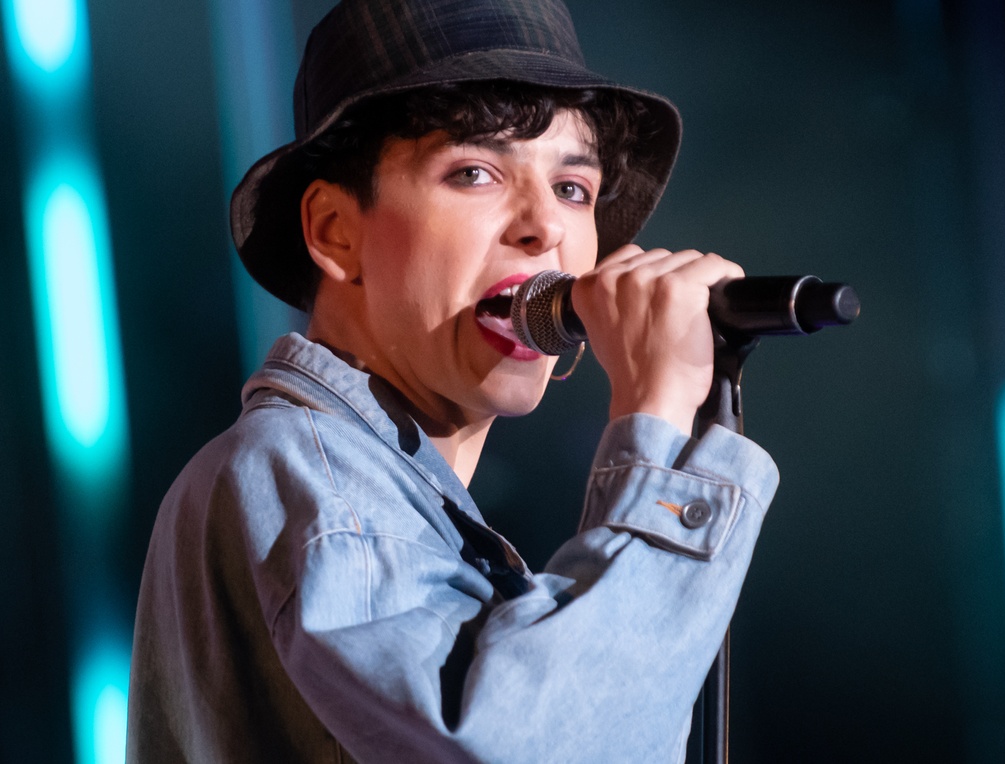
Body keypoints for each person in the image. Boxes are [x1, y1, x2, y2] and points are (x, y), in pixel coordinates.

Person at [127, 0, 778, 761]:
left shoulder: (365, 488)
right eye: (475, 173)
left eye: (574, 188)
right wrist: (655, 421)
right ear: (336, 231)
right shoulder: (316, 477)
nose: (545, 227)